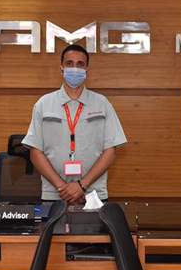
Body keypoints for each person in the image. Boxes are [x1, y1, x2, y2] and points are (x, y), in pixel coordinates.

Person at [22, 44, 127, 204]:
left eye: (80, 64)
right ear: (61, 68)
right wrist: (62, 187)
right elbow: (36, 152)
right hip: (54, 194)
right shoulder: (43, 104)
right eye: (69, 63)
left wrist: (82, 186)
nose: (75, 68)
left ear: (86, 69)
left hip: (93, 194)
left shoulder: (102, 103)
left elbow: (110, 151)